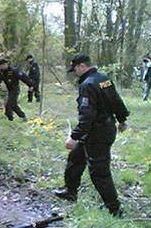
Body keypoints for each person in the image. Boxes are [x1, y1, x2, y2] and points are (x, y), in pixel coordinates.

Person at [54, 54, 129, 217]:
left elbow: (87, 116)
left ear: (81, 66)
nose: (75, 73)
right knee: (76, 158)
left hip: (97, 132)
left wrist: (73, 137)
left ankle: (114, 209)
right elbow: (116, 100)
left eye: (75, 69)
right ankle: (70, 191)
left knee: (99, 172)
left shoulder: (87, 85)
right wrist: (122, 119)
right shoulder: (103, 78)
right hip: (101, 128)